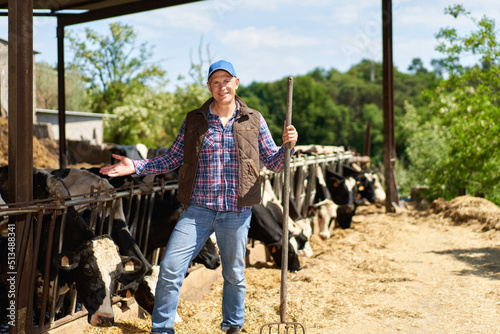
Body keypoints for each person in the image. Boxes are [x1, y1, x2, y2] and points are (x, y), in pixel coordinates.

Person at [100, 60, 298, 334]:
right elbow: (172, 157)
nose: (221, 86)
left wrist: (289, 146)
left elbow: (275, 163)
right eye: (215, 82)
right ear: (209, 86)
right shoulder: (195, 120)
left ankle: (232, 327)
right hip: (198, 211)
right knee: (169, 268)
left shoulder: (254, 119)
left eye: (226, 80)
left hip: (236, 213)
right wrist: (137, 165)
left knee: (234, 275)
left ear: (236, 83)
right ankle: (162, 329)